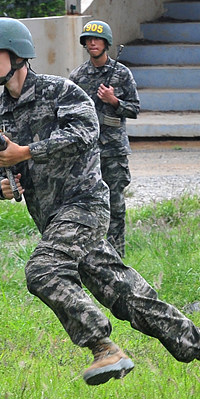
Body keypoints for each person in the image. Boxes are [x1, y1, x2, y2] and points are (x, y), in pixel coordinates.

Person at [0, 17, 200, 399]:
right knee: (128, 297)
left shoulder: (62, 91)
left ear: (18, 54)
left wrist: (26, 151)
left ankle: (103, 347)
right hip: (52, 219)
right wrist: (2, 185)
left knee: (42, 271)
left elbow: (85, 134)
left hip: (85, 205)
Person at [68, 20, 139, 257]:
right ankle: (92, 252)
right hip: (87, 152)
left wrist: (113, 101)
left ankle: (117, 254)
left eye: (96, 39)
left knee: (116, 204)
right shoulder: (77, 76)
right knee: (86, 203)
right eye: (88, 40)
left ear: (106, 43)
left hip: (113, 151)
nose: (92, 43)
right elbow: (67, 111)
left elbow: (134, 109)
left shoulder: (121, 74)